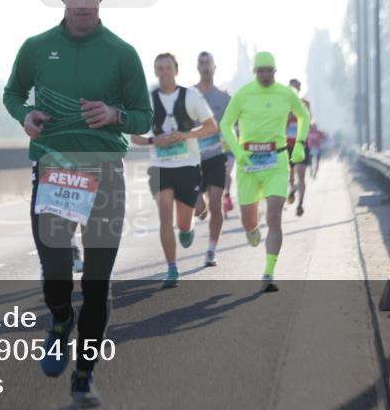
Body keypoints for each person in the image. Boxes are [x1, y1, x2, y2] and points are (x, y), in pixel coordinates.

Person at [3, 0, 151, 407]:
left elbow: (144, 116)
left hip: (105, 172)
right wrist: (24, 116)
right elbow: (13, 95)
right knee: (55, 276)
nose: (82, 3)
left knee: (99, 283)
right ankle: (60, 319)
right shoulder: (36, 47)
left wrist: (115, 115)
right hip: (53, 170)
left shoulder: (122, 53)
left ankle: (84, 374)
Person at [220, 52, 309, 292]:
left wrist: (299, 144)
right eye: (261, 70)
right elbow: (225, 124)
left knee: (274, 216)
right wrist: (237, 150)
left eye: (269, 70)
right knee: (249, 222)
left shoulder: (285, 93)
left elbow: (303, 115)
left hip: (277, 161)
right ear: (255, 72)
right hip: (248, 163)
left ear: (275, 71)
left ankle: (269, 272)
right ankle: (252, 229)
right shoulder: (243, 94)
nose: (265, 74)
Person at [130, 54, 218, 286]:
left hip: (187, 165)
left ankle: (188, 228)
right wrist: (153, 141)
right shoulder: (146, 100)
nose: (164, 72)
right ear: (155, 71)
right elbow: (134, 136)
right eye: (160, 68)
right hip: (160, 167)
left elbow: (212, 126)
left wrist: (187, 135)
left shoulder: (190, 96)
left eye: (168, 68)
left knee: (183, 223)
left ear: (176, 70)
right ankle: (172, 268)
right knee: (165, 216)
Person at [192, 51, 234, 266]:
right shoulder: (189, 95)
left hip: (217, 157)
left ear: (215, 67)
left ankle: (211, 250)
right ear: (197, 67)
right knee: (199, 209)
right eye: (201, 63)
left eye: (208, 62)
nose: (205, 66)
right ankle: (199, 207)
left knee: (216, 205)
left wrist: (231, 158)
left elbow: (232, 129)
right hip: (193, 160)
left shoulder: (224, 98)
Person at [286, 78, 313, 216]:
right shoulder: (284, 105)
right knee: (290, 176)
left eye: (297, 87)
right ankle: (293, 189)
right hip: (287, 146)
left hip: (301, 144)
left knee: (301, 175)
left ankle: (300, 204)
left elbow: (309, 123)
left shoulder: (305, 104)